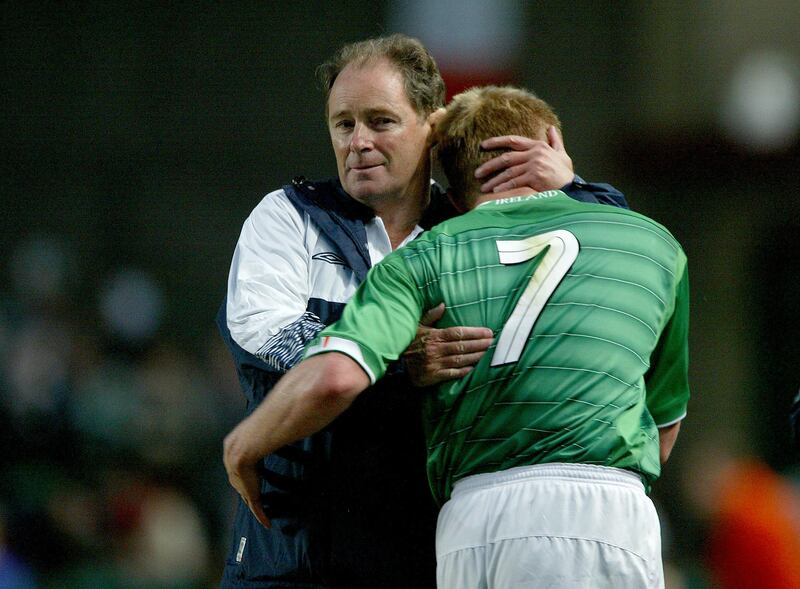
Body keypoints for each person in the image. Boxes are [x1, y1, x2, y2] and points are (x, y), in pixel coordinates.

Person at [223, 85, 689, 588]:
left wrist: (246, 443)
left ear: (451, 194)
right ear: (552, 143)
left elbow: (335, 376)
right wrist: (574, 184)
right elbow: (663, 432)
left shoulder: (425, 255)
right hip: (608, 510)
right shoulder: (651, 244)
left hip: (475, 516)